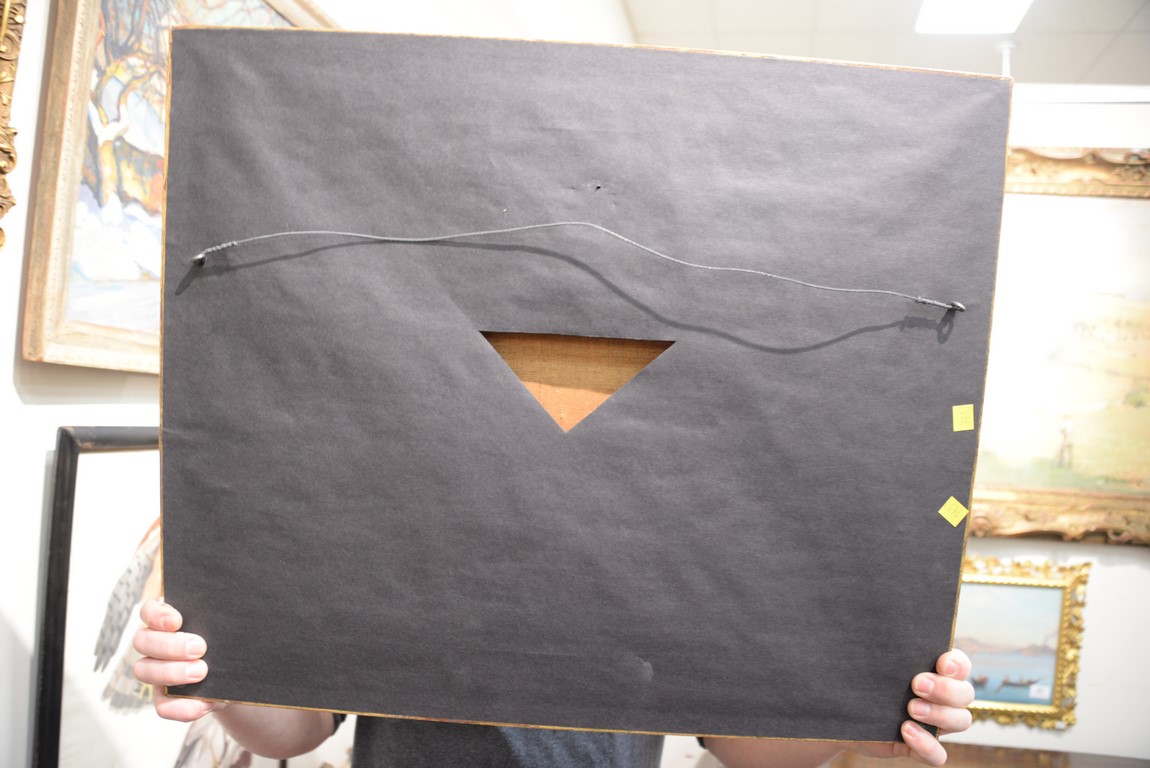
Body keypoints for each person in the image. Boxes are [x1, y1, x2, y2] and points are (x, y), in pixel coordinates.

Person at [133, 600, 975, 767]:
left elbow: (734, 741)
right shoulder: (402, 469)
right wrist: (228, 688)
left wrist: (856, 725)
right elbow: (306, 725)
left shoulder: (675, 498)